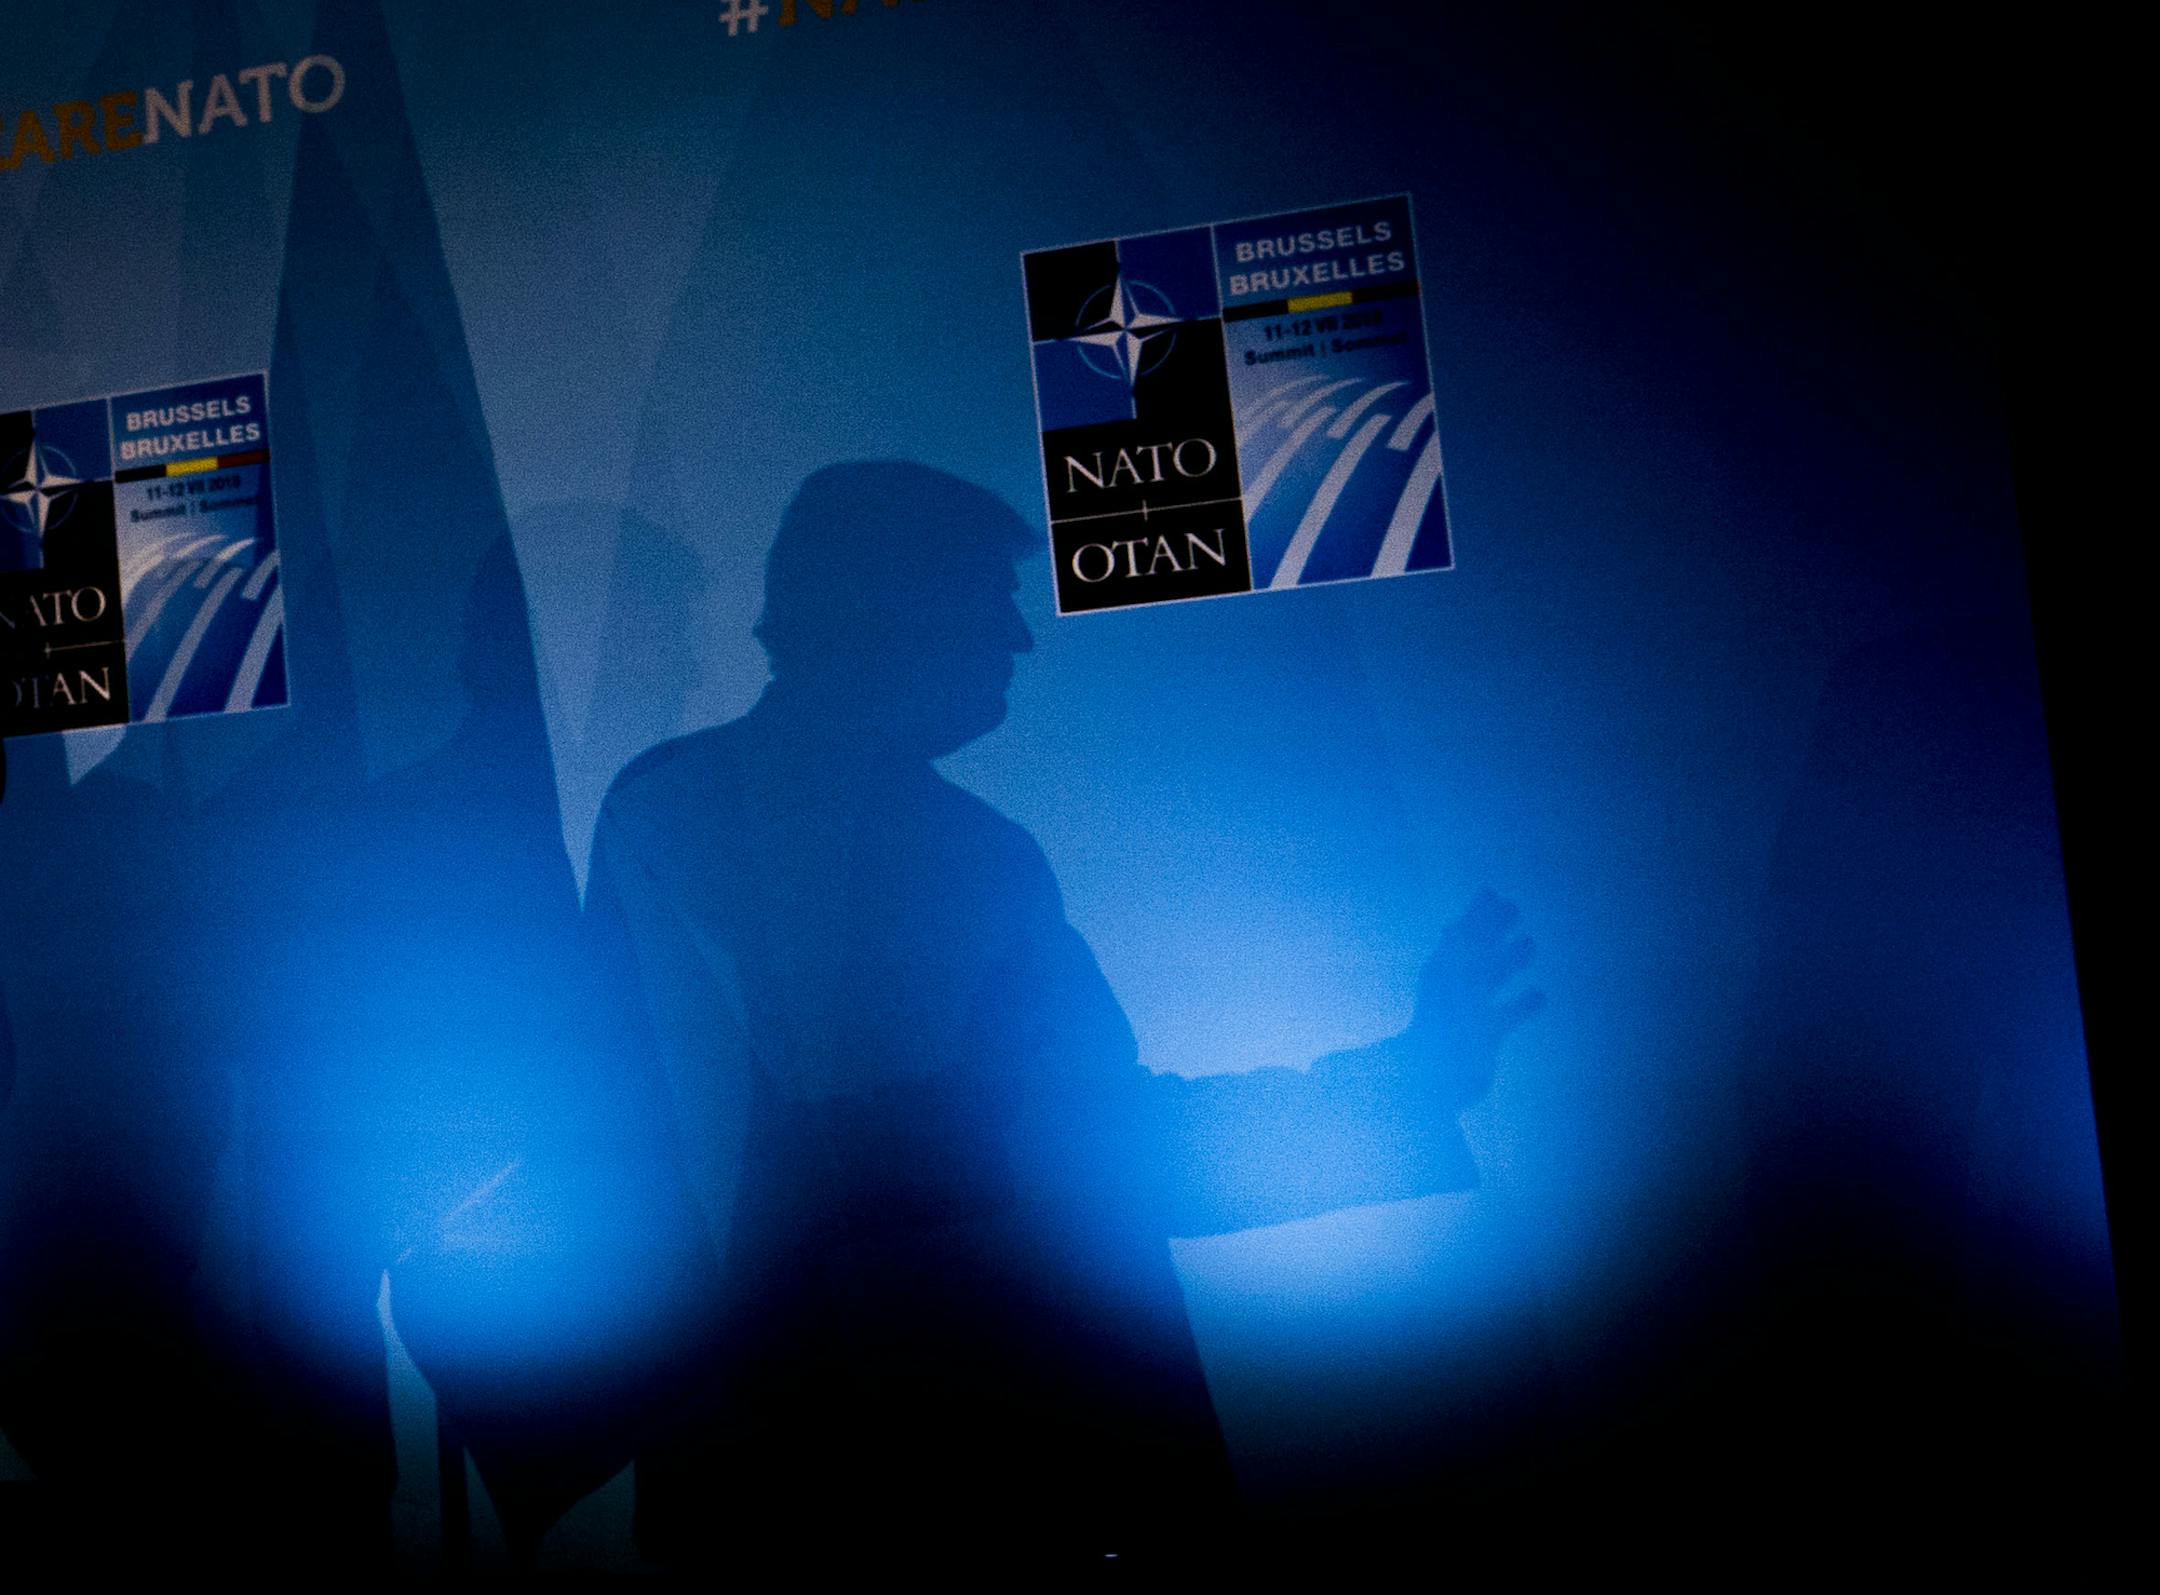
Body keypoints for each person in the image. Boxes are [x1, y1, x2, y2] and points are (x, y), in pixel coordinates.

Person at [442, 461, 1542, 1569]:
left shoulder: (666, 806)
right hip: (964, 1475)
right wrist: (1407, 1084)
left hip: (762, 1479)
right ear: (894, 610)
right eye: (986, 598)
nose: (1017, 637)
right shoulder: (962, 858)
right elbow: (1103, 1151)